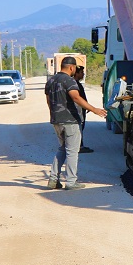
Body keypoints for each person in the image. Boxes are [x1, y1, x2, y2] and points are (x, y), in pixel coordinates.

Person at [46, 56, 105, 189]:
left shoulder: (51, 80)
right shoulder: (69, 81)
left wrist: (54, 114)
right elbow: (76, 97)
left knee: (62, 149)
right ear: (72, 67)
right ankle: (71, 182)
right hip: (70, 121)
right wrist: (94, 109)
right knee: (72, 151)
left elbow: (49, 100)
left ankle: (53, 179)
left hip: (56, 121)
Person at [74, 65, 95, 153]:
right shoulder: (74, 85)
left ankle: (80, 145)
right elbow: (77, 98)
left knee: (81, 127)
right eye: (81, 73)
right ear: (76, 73)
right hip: (78, 110)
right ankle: (79, 147)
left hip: (81, 109)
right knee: (79, 128)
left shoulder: (78, 84)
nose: (83, 74)